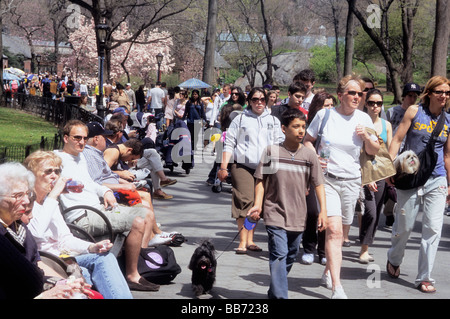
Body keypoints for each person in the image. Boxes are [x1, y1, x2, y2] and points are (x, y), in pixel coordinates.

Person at [54, 119, 166, 291]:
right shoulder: (57, 159)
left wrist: (105, 192)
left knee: (143, 212)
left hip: (97, 208)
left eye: (84, 138)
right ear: (66, 138)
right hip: (83, 215)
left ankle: (135, 267)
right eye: (77, 138)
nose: (82, 142)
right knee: (138, 218)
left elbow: (91, 183)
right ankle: (132, 274)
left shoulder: (80, 158)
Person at [303, 74, 380, 299]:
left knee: (342, 235)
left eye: (360, 93)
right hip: (327, 180)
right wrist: (315, 157)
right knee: (334, 231)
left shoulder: (364, 119)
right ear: (340, 95)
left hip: (352, 181)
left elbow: (374, 150)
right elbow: (307, 140)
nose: (357, 97)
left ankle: (329, 271)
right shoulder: (324, 115)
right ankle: (338, 287)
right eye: (352, 93)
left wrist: (366, 136)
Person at [23, 151, 133, 299]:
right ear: (32, 176)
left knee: (105, 258)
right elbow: (36, 233)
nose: (54, 176)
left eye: (57, 171)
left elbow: (65, 238)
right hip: (47, 263)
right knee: (84, 272)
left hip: (63, 257)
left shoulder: (49, 203)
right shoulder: (28, 203)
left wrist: (91, 247)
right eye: (48, 171)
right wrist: (54, 195)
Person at [248, 108, 327, 299]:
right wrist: (258, 204)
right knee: (279, 254)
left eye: (303, 127)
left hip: (299, 215)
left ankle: (274, 291)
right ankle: (282, 297)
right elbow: (261, 180)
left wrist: (323, 211)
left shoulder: (309, 156)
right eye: (296, 126)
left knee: (290, 256)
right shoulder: (272, 151)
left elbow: (318, 184)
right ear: (284, 129)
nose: (301, 131)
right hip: (274, 211)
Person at [386, 76, 450, 293]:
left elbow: (448, 155)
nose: (444, 96)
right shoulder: (414, 111)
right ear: (429, 93)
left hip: (437, 178)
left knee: (433, 229)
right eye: (440, 92)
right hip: (412, 176)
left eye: (447, 93)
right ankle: (394, 258)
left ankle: (425, 277)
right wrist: (389, 167)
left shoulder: (448, 120)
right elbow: (397, 139)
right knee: (404, 226)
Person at [0, 162, 92, 299]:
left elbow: (37, 263)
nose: (26, 200)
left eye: (27, 193)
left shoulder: (19, 226)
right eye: (18, 195)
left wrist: (63, 283)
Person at [218, 87, 284, 254]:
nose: (259, 102)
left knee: (257, 203)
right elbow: (229, 143)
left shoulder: (274, 121)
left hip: (265, 167)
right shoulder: (240, 119)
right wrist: (223, 167)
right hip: (242, 165)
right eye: (255, 99)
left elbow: (279, 144)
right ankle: (242, 240)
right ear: (249, 102)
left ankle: (250, 239)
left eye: (262, 99)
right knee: (243, 201)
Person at [301, 91, 336, 266]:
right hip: (309, 173)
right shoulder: (310, 124)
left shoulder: (338, 124)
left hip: (329, 175)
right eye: (325, 106)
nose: (329, 109)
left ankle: (323, 250)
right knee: (312, 211)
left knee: (326, 212)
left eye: (332, 105)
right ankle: (308, 248)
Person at [358, 89, 392, 264]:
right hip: (362, 170)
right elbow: (360, 152)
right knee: (369, 211)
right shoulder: (359, 122)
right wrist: (367, 176)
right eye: (371, 103)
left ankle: (365, 248)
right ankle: (359, 244)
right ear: (366, 103)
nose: (375, 107)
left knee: (376, 211)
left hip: (381, 172)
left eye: (378, 103)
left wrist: (390, 175)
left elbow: (389, 151)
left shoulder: (386, 125)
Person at [103, 137, 176, 200]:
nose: (129, 160)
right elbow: (101, 173)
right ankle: (160, 186)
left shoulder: (117, 151)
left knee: (152, 165)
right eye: (131, 158)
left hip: (117, 178)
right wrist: (121, 173)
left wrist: (127, 167)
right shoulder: (113, 152)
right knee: (145, 194)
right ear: (129, 150)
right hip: (111, 182)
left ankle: (158, 189)